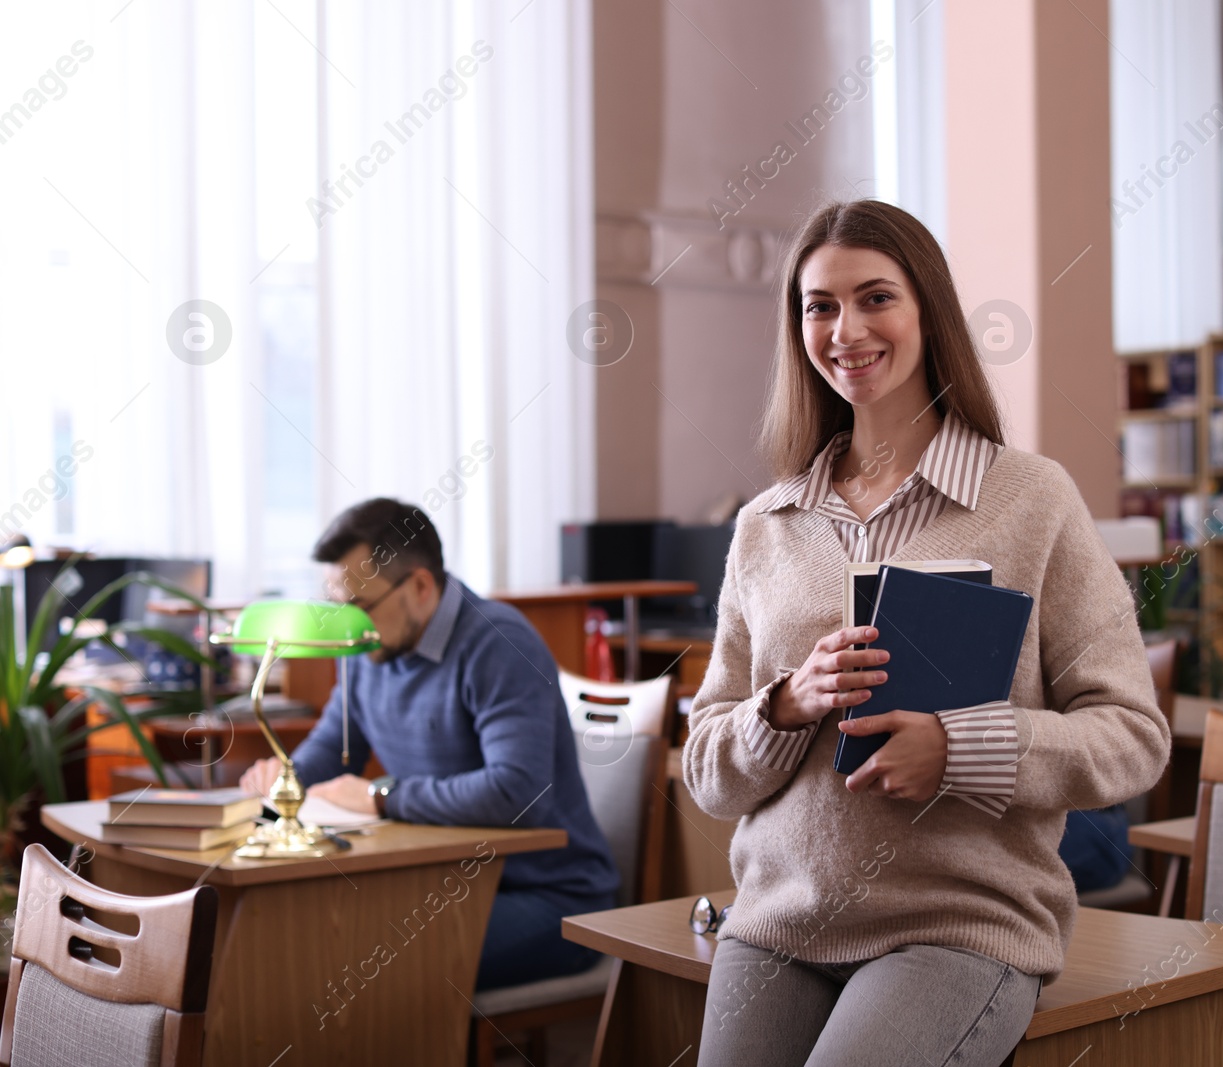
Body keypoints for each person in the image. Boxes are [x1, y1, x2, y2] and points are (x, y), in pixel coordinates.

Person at [680, 200, 1171, 1066]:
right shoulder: (766, 523)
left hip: (957, 925)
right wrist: (787, 705)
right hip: (778, 919)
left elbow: (1132, 738)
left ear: (927, 311)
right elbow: (708, 768)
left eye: (876, 298)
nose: (845, 329)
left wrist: (960, 748)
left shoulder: (1032, 500)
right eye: (819, 306)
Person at [239, 498, 619, 990]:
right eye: (337, 605)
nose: (346, 624)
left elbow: (516, 791)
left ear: (419, 586)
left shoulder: (498, 643)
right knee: (302, 932)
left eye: (357, 606)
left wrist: (381, 797)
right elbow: (331, 746)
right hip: (437, 885)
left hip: (550, 898)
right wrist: (281, 779)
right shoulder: (366, 645)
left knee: (359, 959)